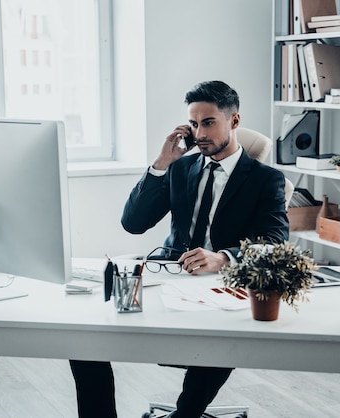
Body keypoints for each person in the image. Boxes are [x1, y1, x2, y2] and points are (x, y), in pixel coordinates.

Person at [69, 80, 289, 418]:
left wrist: (223, 257)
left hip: (223, 285)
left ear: (234, 121)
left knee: (220, 341)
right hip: (169, 277)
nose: (199, 132)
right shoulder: (181, 168)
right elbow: (134, 223)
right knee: (85, 338)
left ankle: (184, 415)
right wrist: (161, 163)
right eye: (194, 123)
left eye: (209, 122)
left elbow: (274, 241)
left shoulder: (266, 179)